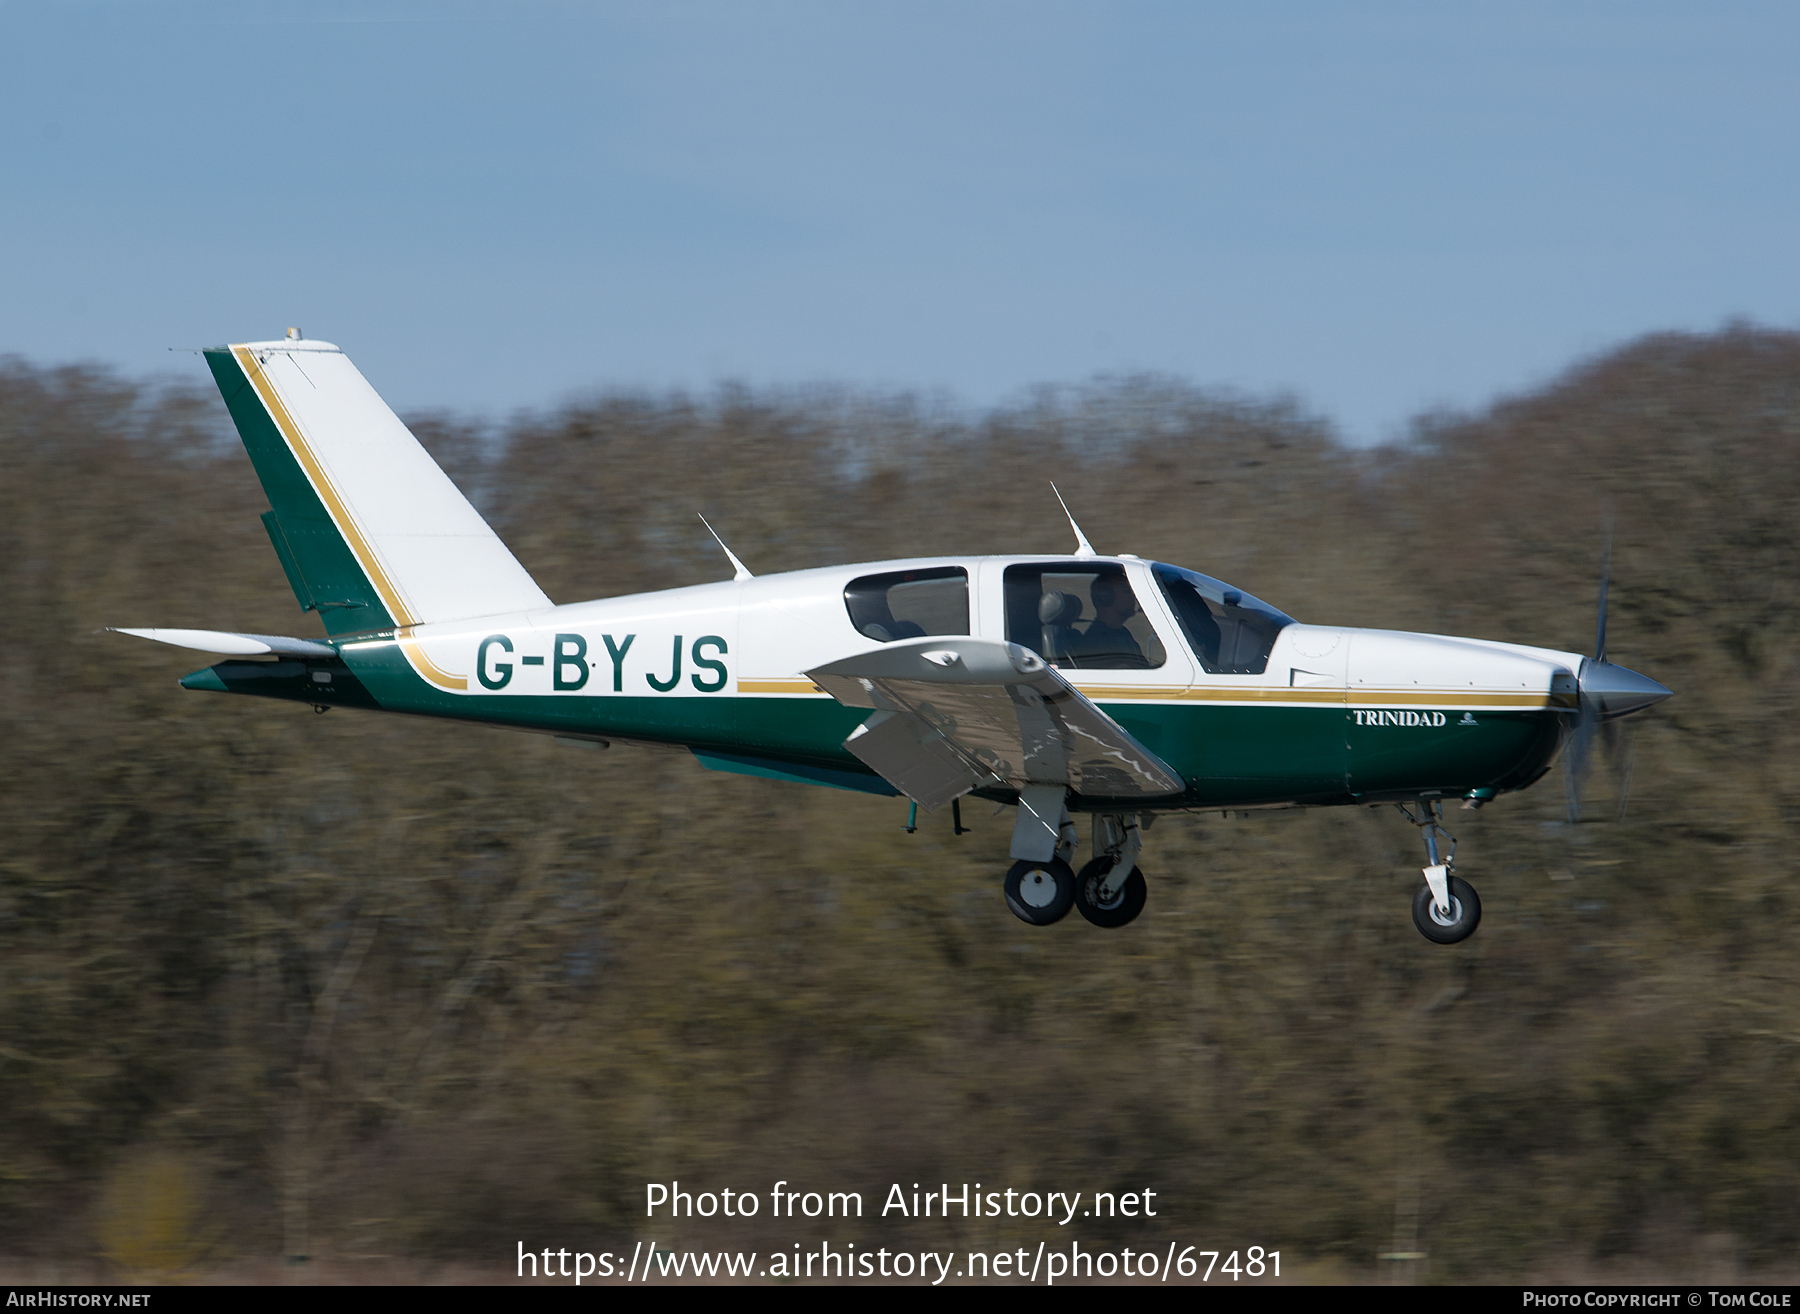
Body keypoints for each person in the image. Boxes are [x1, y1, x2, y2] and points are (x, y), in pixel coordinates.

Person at [1075, 574, 1145, 667]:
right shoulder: (1094, 642)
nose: (1134, 598)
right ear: (1106, 597)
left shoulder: (1123, 633)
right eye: (1127, 592)